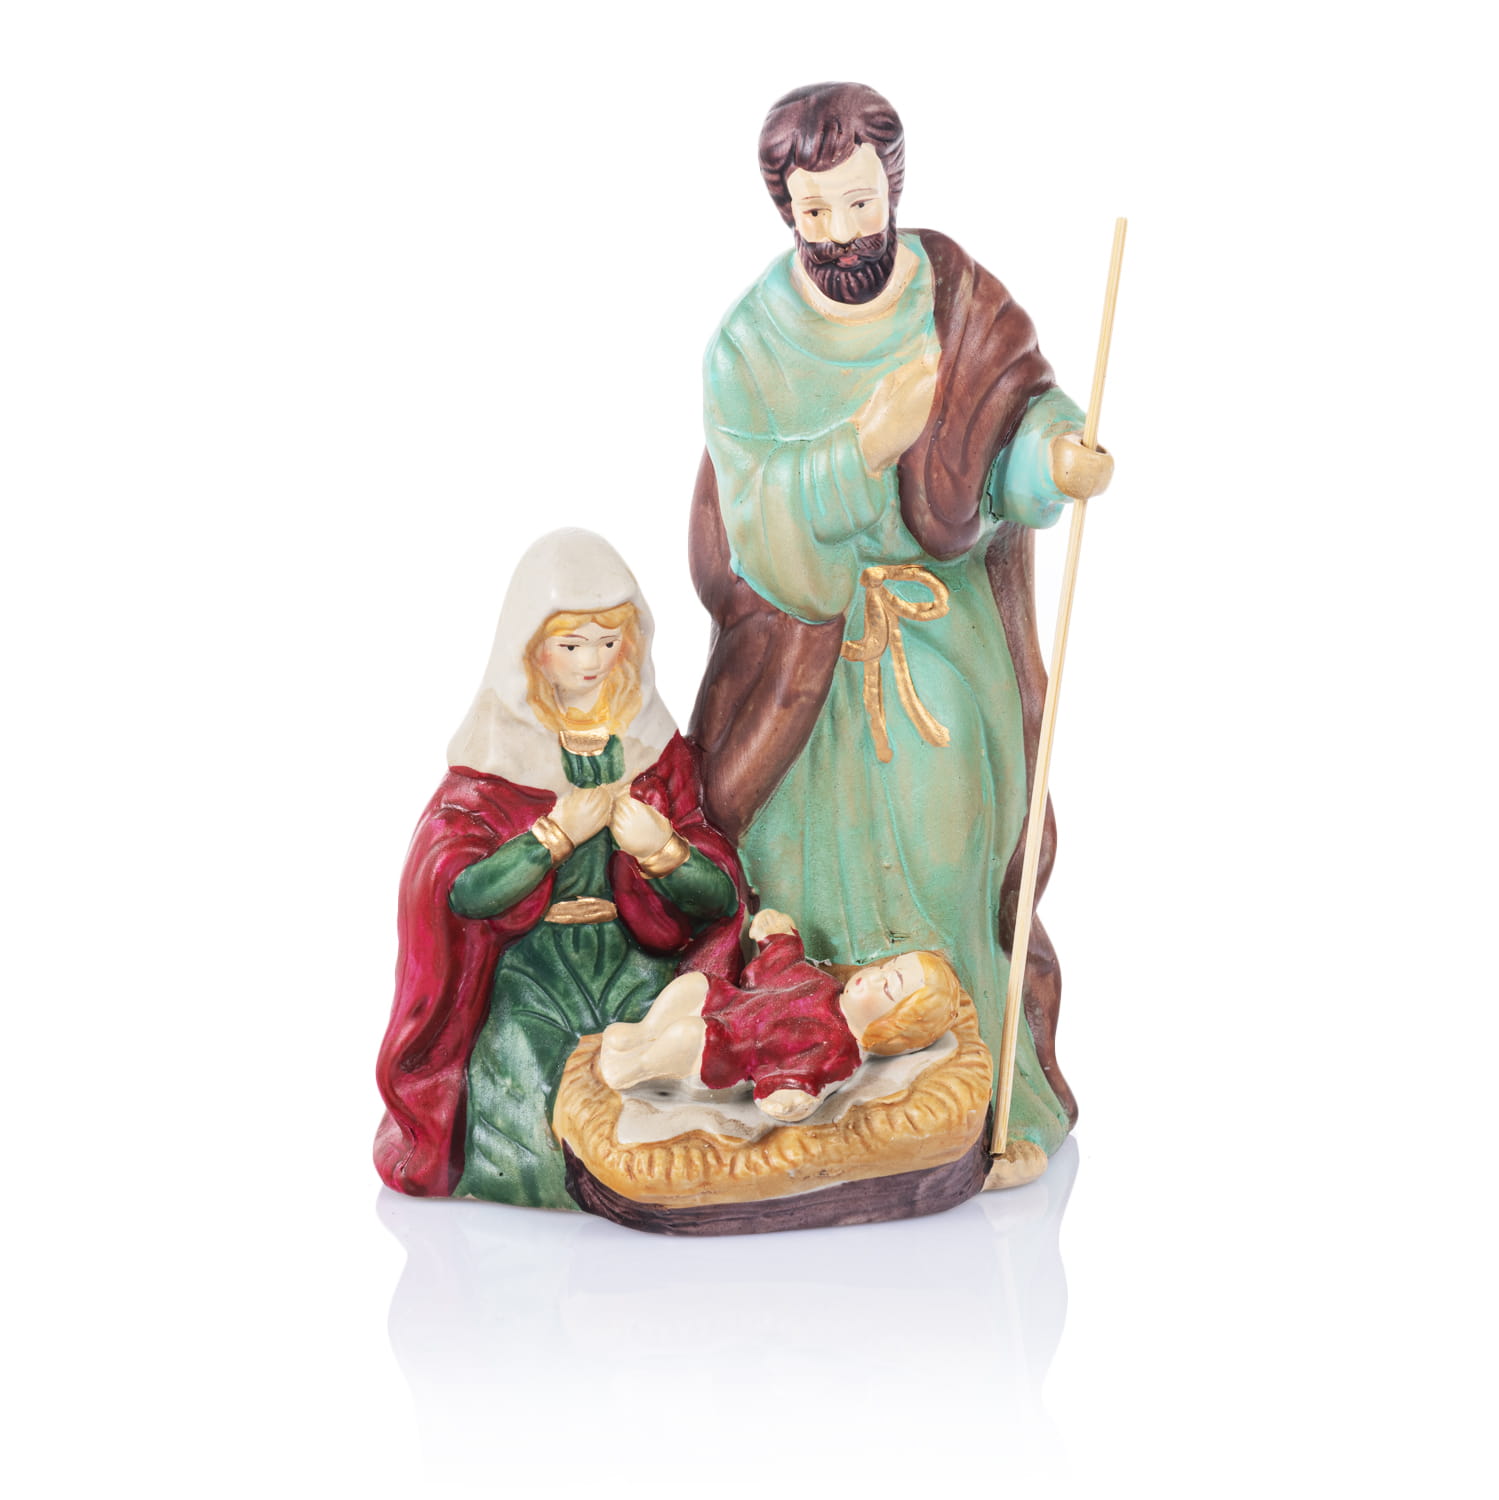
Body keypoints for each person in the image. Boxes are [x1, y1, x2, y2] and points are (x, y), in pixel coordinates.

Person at [688, 83, 1115, 1156]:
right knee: (784, 875)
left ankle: (980, 1096)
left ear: (892, 187)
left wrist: (1054, 460)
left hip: (936, 626)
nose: (840, 233)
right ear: (784, 209)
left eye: (858, 202)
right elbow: (753, 524)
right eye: (813, 210)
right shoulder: (746, 346)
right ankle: (806, 1082)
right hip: (801, 654)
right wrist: (860, 451)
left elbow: (1015, 422)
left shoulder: (954, 297)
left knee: (948, 827)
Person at [375, 529, 745, 1209]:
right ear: (531, 649)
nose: (593, 661)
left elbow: (720, 898)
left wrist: (662, 850)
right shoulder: (495, 759)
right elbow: (459, 891)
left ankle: (664, 1187)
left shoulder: (654, 750)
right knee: (534, 1101)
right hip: (535, 973)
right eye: (572, 645)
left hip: (636, 967)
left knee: (668, 1086)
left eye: (609, 642)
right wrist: (552, 836)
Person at [599, 908, 962, 1122]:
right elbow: (783, 970)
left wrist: (791, 1096)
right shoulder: (825, 985)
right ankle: (644, 1033)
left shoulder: (838, 1047)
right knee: (695, 984)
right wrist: (779, 938)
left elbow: (810, 1075)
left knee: (688, 1035)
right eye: (886, 968)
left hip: (730, 1052)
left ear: (890, 1028)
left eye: (888, 988)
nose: (874, 975)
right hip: (729, 1005)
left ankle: (633, 1067)